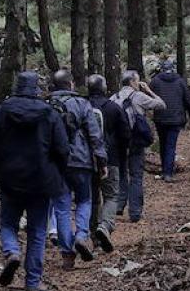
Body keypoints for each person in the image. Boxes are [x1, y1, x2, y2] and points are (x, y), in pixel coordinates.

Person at [0, 71, 69, 290]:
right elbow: (62, 149)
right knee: (38, 232)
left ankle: (12, 251)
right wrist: (55, 173)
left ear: (16, 87)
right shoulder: (50, 114)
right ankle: (32, 283)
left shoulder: (0, 113)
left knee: (8, 223)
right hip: (41, 181)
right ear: (36, 89)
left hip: (10, 180)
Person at [47, 69, 105, 269]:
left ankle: (67, 253)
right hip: (81, 161)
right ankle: (81, 235)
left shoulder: (46, 106)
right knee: (84, 200)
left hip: (55, 164)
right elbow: (95, 136)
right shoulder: (82, 103)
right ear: (70, 84)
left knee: (61, 207)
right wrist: (102, 161)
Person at [111, 69, 165, 223]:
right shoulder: (139, 96)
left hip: (119, 143)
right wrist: (149, 91)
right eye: (138, 80)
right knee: (136, 176)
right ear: (133, 82)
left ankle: (119, 206)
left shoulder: (113, 98)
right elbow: (161, 105)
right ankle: (134, 212)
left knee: (121, 174)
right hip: (135, 142)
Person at [85, 74, 127, 253]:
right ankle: (105, 225)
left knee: (93, 199)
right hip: (111, 159)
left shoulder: (82, 106)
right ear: (104, 88)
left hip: (86, 160)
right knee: (111, 196)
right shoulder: (114, 108)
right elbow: (125, 134)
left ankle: (95, 237)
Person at [149, 59, 190, 181]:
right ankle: (168, 172)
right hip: (176, 118)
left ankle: (165, 170)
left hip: (160, 118)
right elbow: (189, 101)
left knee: (163, 144)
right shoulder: (180, 82)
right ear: (172, 69)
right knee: (170, 145)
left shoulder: (155, 81)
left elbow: (148, 98)